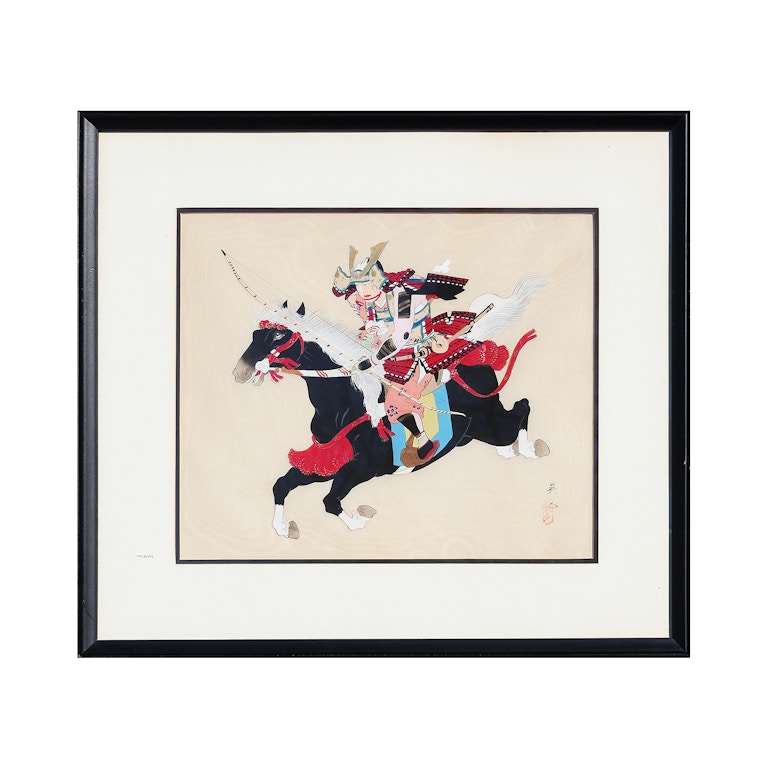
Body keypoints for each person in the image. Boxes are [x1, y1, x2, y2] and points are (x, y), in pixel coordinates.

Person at [332, 241, 482, 463]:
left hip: (415, 349)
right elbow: (376, 331)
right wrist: (370, 337)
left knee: (395, 402)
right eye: (359, 287)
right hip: (388, 353)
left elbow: (400, 336)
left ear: (378, 278)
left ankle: (424, 441)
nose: (363, 292)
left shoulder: (402, 295)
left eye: (366, 284)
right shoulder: (370, 302)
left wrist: (373, 359)